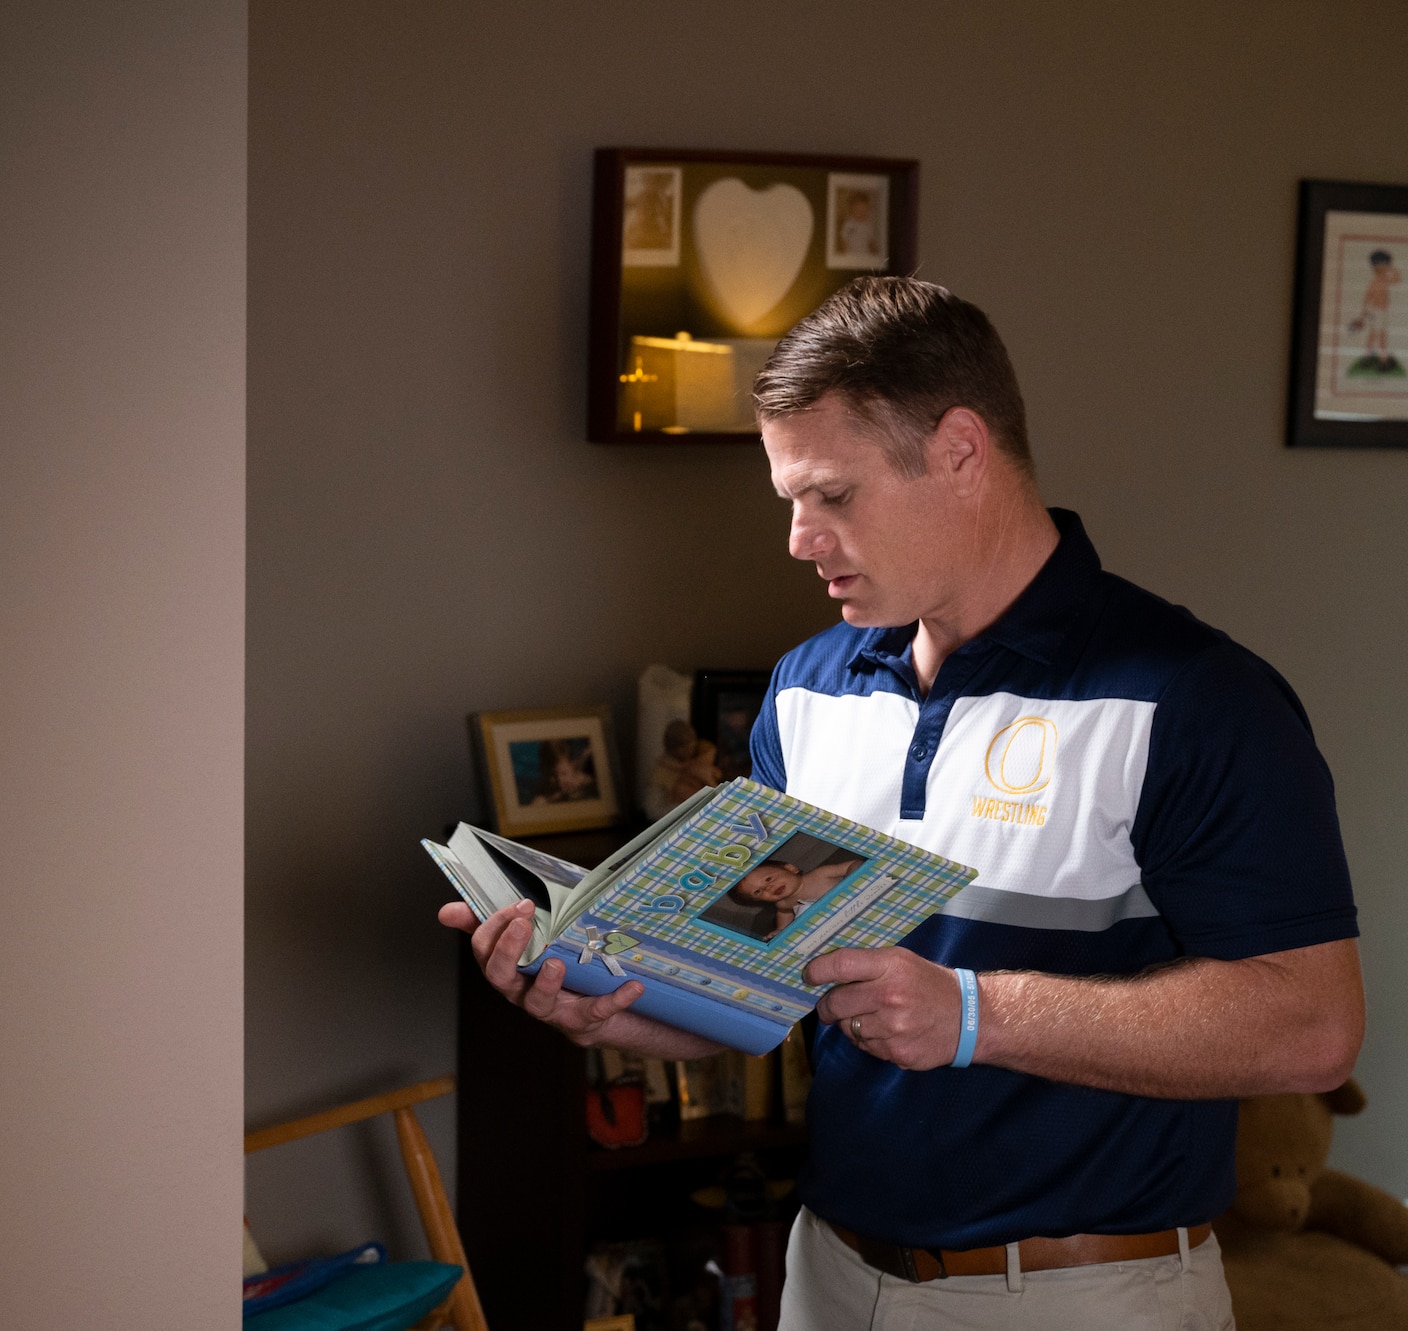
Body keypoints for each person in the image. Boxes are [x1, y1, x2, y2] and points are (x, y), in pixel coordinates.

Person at [440, 276, 1363, 1329]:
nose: (797, 537)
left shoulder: (1193, 697)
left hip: (1084, 1293)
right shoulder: (805, 687)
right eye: (787, 498)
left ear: (961, 451)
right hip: (828, 1276)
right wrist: (610, 1003)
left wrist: (973, 1013)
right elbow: (763, 982)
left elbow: (1311, 1025)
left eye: (831, 495)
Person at [727, 855, 859, 935]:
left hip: (855, 899)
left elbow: (852, 864)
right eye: (758, 892)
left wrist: (854, 877)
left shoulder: (820, 874)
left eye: (768, 879)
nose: (768, 888)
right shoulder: (783, 903)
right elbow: (784, 914)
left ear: (791, 869)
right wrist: (781, 929)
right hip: (835, 921)